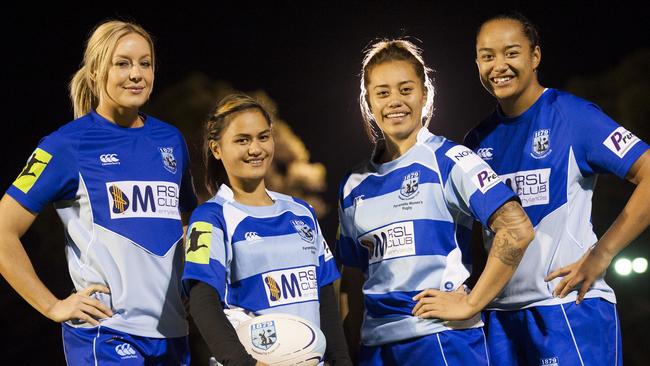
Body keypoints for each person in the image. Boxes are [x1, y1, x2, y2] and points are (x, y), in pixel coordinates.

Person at [0, 20, 197, 364]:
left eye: (145, 63)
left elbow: (188, 221)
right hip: (105, 334)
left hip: (172, 334)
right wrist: (52, 305)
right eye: (122, 63)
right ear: (95, 72)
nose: (136, 74)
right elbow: (3, 230)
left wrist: (192, 282)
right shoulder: (66, 145)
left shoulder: (171, 141)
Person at [465, 12, 650, 365]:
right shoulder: (476, 140)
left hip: (567, 309)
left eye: (511, 52)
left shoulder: (573, 115)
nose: (498, 65)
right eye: (487, 56)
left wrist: (602, 253)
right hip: (500, 318)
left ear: (535, 56)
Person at [335, 39, 534, 365]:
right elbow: (352, 278)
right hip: (375, 348)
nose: (395, 101)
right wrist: (349, 352)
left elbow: (516, 229)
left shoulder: (450, 159)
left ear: (425, 95)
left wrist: (471, 304)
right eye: (382, 93)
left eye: (406, 89)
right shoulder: (352, 184)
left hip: (440, 340)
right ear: (367, 102)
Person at [182, 93, 352, 366]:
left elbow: (325, 298)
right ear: (216, 149)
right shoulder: (209, 218)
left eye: (263, 137)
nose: (255, 149)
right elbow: (203, 302)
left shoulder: (301, 212)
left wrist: (342, 362)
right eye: (242, 140)